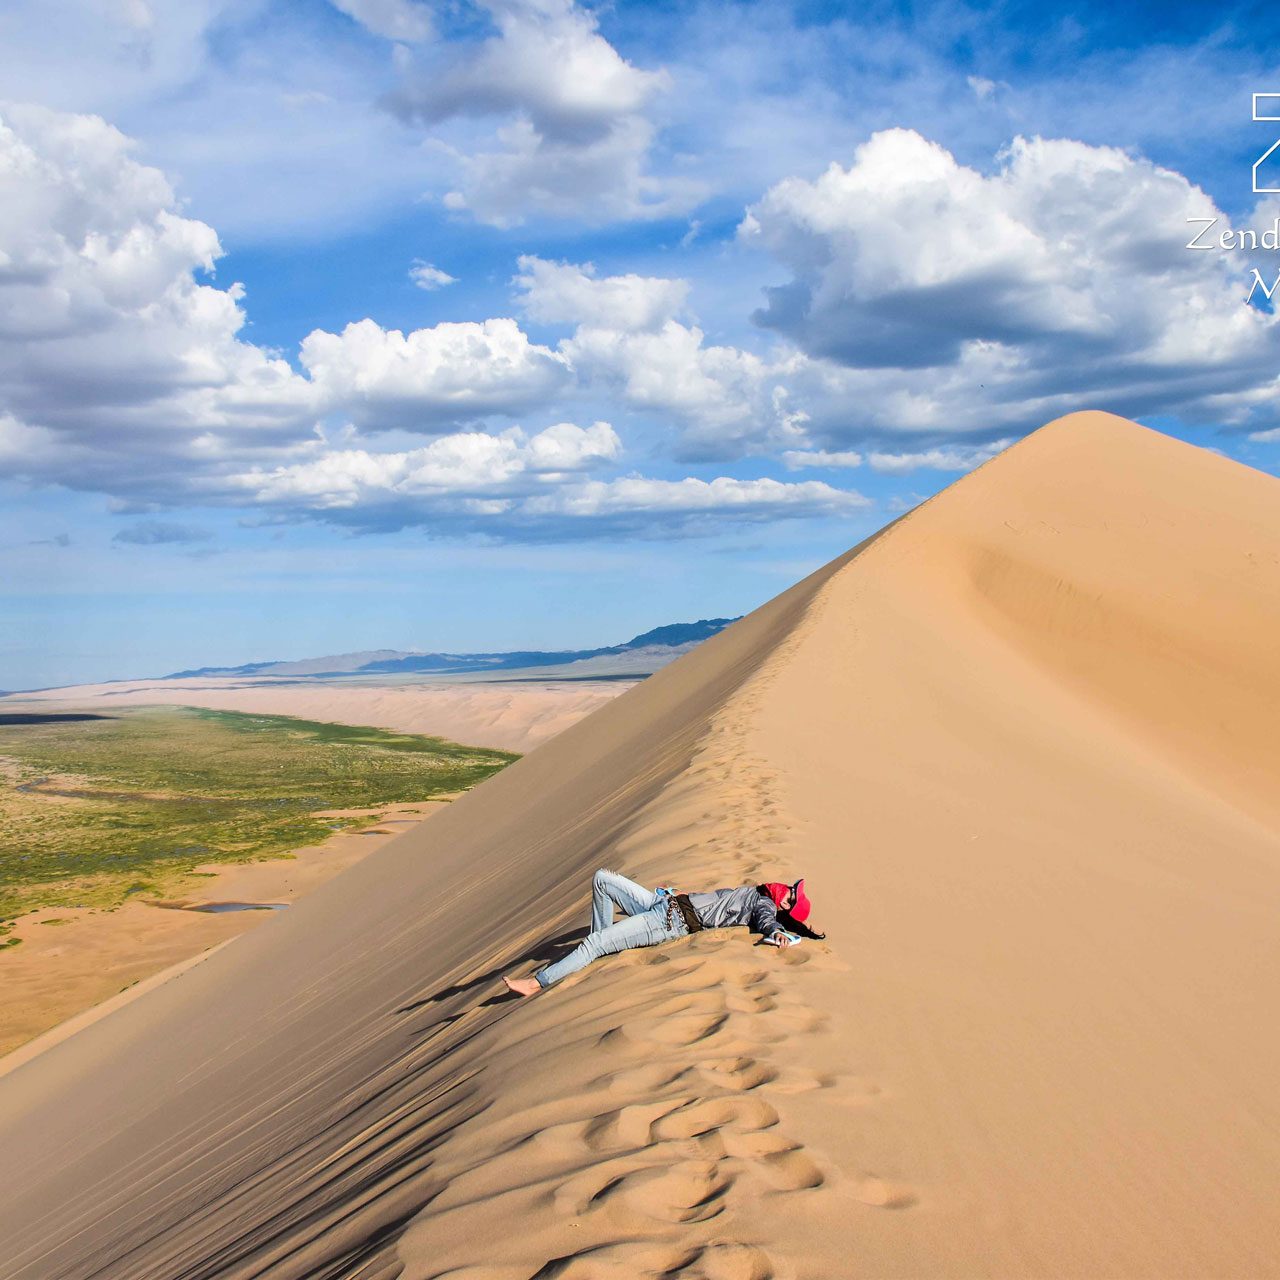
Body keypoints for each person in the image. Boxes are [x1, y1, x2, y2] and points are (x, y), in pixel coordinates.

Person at [502, 868, 825, 997]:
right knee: (602, 878)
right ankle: (600, 947)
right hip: (663, 904)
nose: (789, 890)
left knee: (595, 942)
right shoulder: (759, 892)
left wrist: (777, 934)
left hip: (669, 924)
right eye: (793, 889)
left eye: (792, 897)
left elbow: (767, 924)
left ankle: (537, 983)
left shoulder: (765, 907)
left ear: (784, 908)